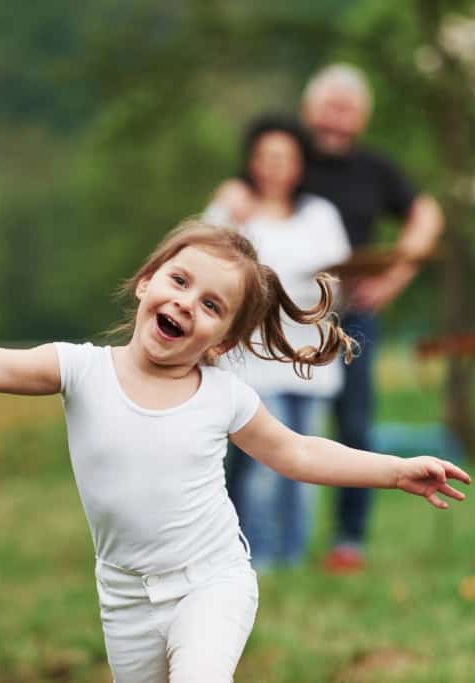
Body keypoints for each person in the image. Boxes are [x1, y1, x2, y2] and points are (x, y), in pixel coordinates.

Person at [0, 219, 469, 683]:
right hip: (125, 598)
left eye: (211, 304)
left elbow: (297, 453)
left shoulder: (223, 395)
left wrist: (393, 469)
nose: (186, 303)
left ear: (219, 342)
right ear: (146, 283)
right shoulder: (79, 369)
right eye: (179, 281)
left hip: (213, 582)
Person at [213, 64, 445, 574]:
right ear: (309, 110)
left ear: (362, 118)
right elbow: (246, 187)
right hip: (265, 332)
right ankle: (238, 544)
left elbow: (426, 215)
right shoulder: (288, 157)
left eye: (349, 110)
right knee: (254, 442)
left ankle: (346, 541)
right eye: (329, 107)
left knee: (353, 427)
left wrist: (396, 275)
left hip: (346, 319)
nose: (337, 120)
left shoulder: (374, 169)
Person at [205, 115, 351, 571]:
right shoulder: (232, 213)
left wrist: (294, 288)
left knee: (308, 470)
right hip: (254, 364)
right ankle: (256, 558)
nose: (274, 166)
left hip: (311, 363)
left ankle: (293, 557)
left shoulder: (320, 215)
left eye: (284, 157)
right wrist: (224, 209)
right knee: (266, 468)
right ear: (251, 162)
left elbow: (338, 282)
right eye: (265, 156)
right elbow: (208, 271)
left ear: (299, 164)